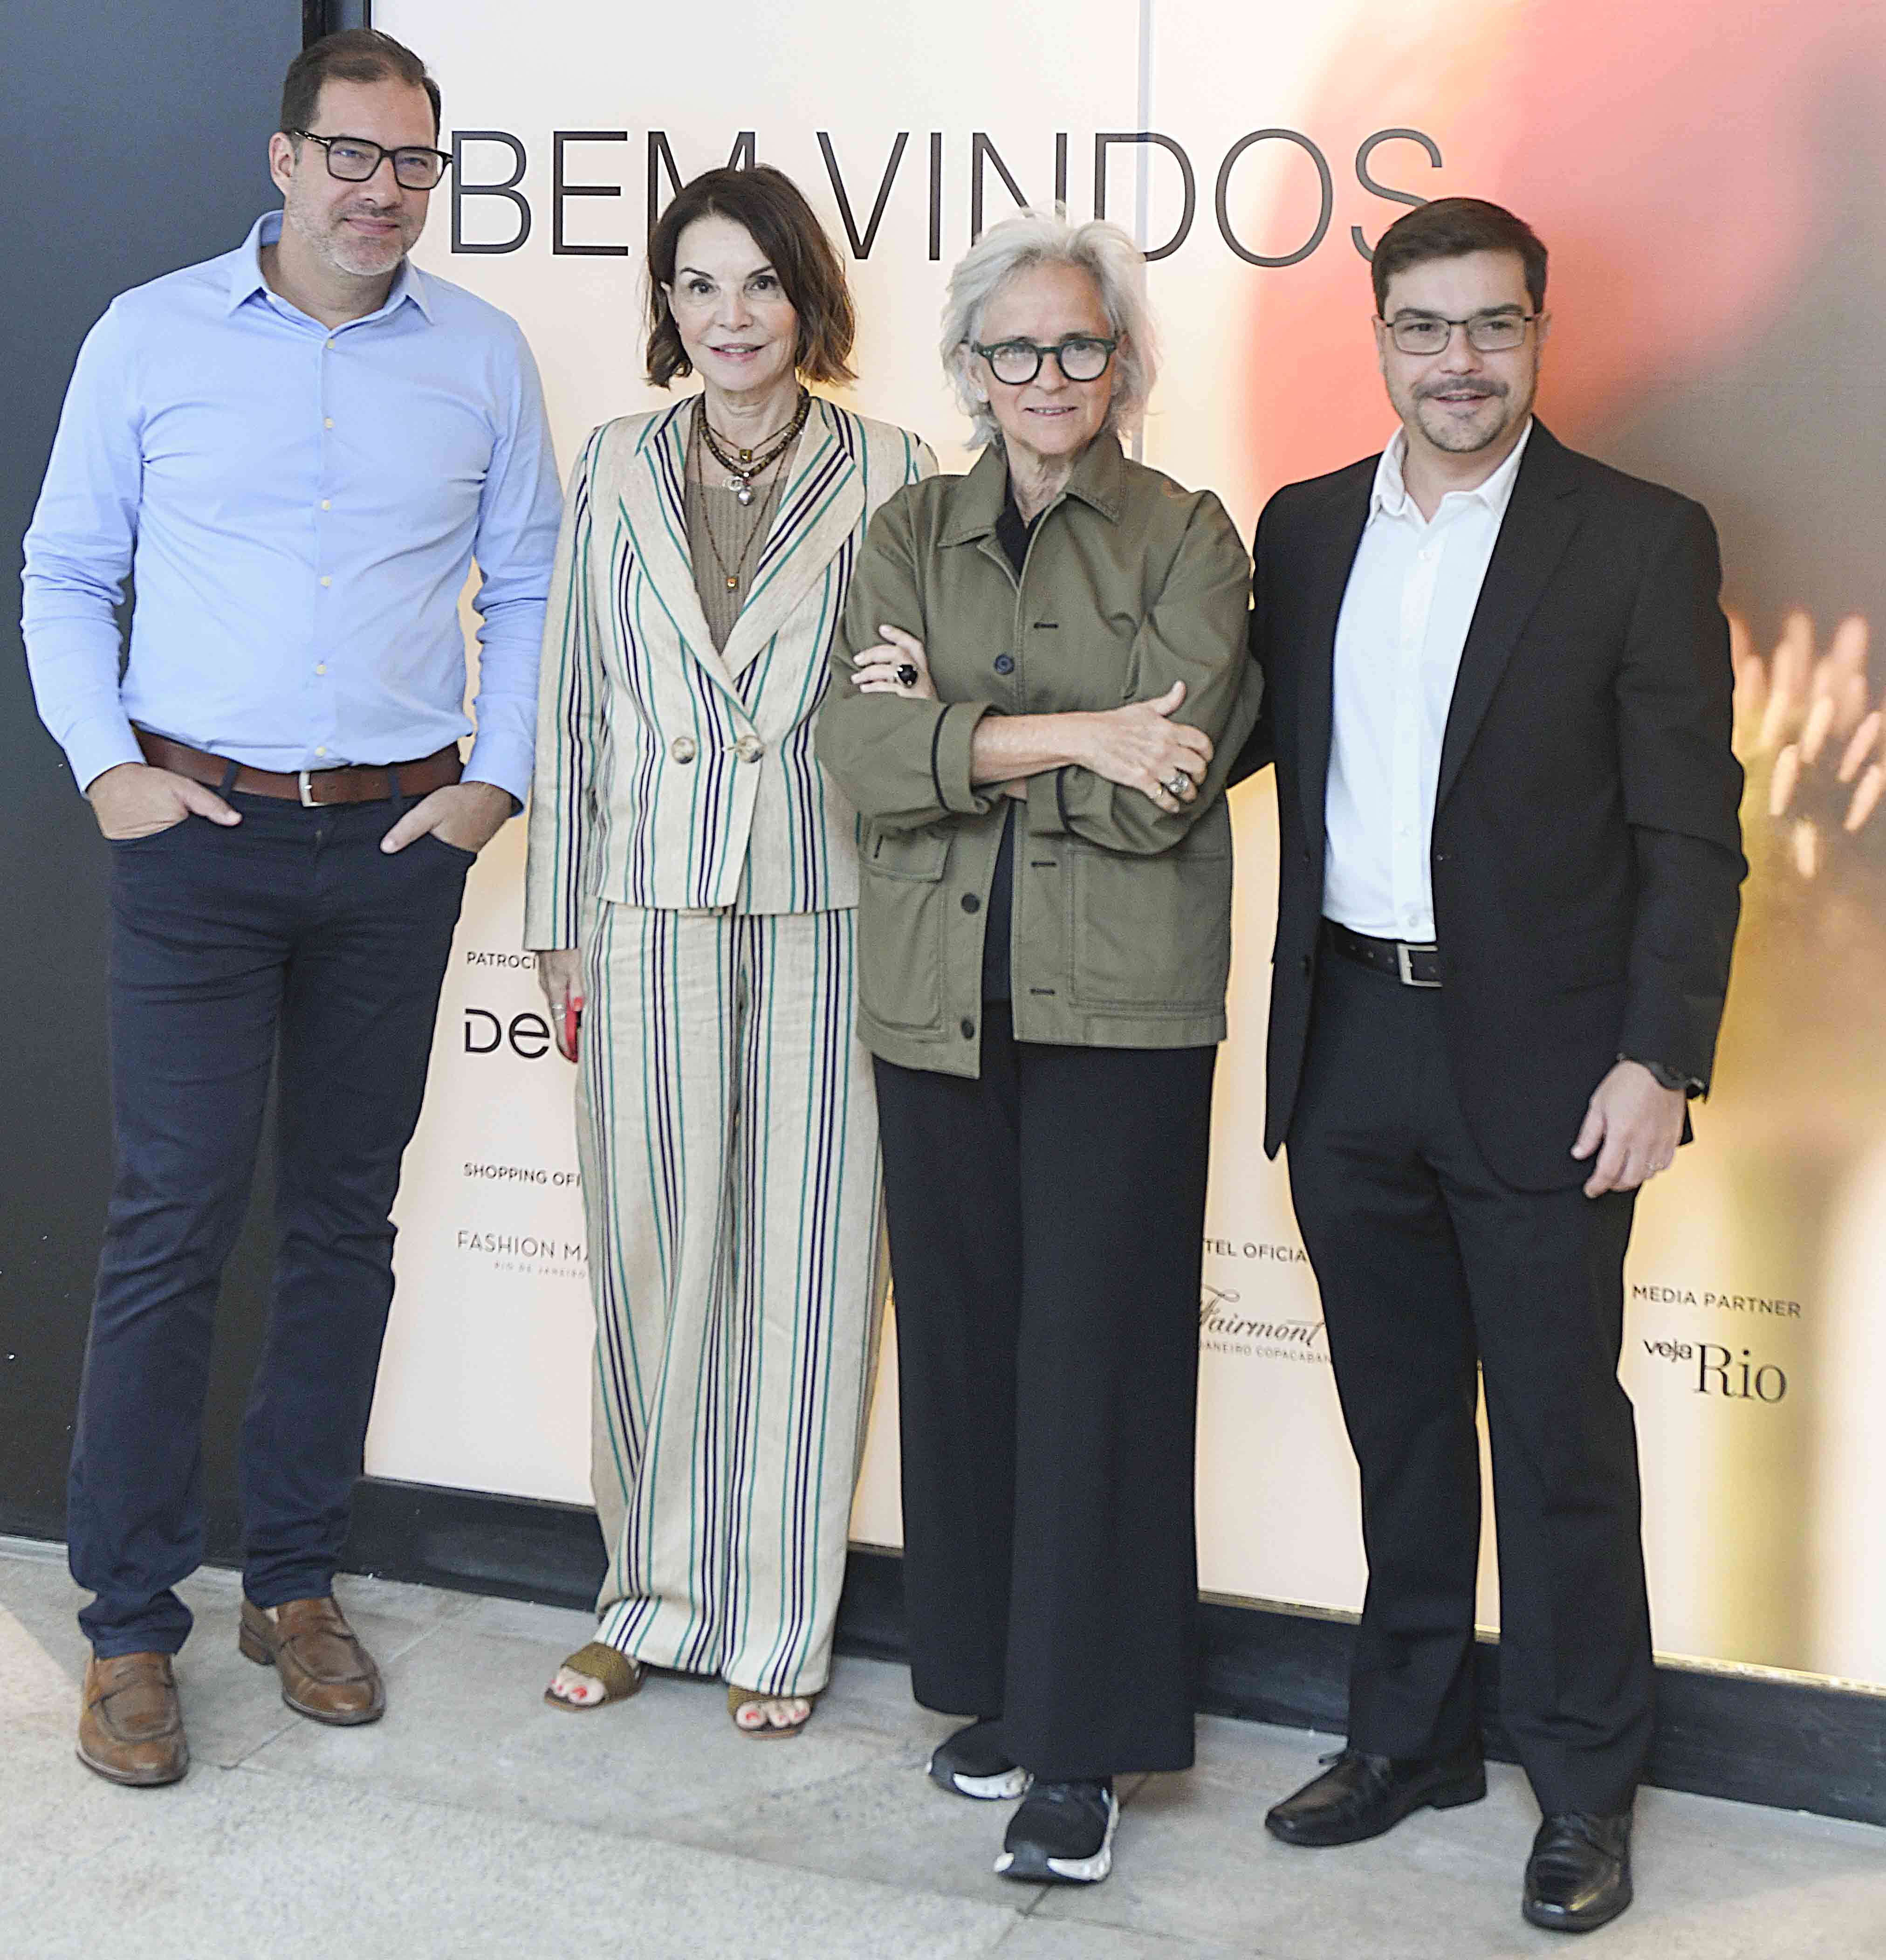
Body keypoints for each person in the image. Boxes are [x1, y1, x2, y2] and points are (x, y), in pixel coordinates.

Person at [21, 28, 560, 1789]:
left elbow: (537, 574)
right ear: (282, 158)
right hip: (196, 836)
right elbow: (65, 569)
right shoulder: (151, 333)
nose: (381, 191)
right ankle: (127, 1626)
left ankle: (299, 1580)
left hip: (397, 845)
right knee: (173, 1220)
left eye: (413, 162)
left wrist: (495, 782)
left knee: (345, 1223)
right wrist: (109, 766)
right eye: (351, 155)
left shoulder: (480, 355)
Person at [1237, 195, 1743, 1933]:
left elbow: (1694, 831)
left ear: (1540, 333)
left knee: (1555, 1437)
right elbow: (1204, 725)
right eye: (1426, 327)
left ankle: (1583, 1788)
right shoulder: (1299, 533)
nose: (1460, 360)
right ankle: (1409, 1740)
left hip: (1541, 1060)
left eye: (1494, 326)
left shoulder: (1636, 537)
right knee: (1393, 1426)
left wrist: (1657, 1057)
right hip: (1350, 1037)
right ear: (1375, 341)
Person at [816, 208, 1258, 1889]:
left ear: (1123, 366)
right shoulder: (908, 527)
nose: (1049, 375)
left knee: (1101, 1367)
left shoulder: (1187, 535)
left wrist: (958, 734)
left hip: (1121, 1013)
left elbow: (1173, 785)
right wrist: (1071, 728)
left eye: (1080, 345)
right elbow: (855, 756)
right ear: (969, 371)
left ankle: (1086, 1749)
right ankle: (1001, 1689)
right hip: (937, 1004)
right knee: (973, 1353)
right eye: (1016, 349)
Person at [527, 165, 932, 1735]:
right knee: (649, 1260)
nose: (728, 315)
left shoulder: (895, 464)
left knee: (815, 1261)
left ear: (804, 297)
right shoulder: (612, 461)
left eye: (757, 283)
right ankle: (648, 1597)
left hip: (832, 900)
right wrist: (557, 916)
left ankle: (775, 1620)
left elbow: (917, 686)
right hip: (641, 905)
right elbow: (569, 701)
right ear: (667, 306)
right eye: (698, 285)